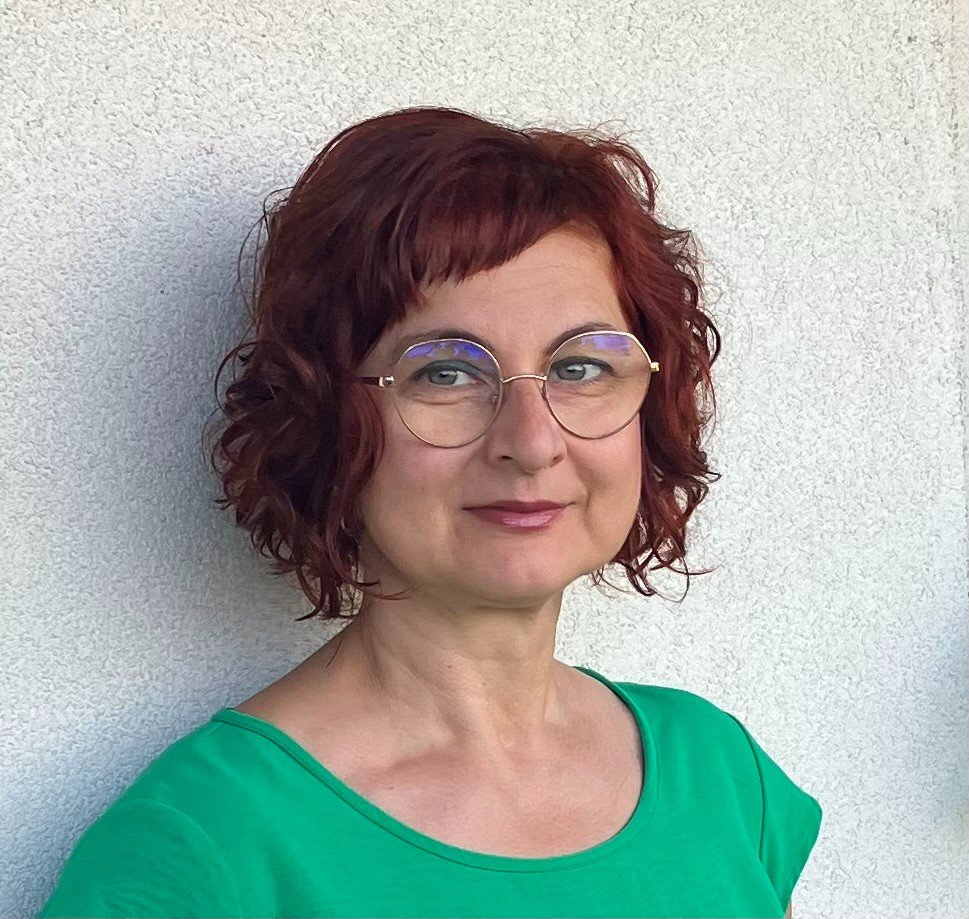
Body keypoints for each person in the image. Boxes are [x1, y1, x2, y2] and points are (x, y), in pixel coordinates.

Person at [37, 105, 821, 919]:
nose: (531, 441)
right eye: (444, 373)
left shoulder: (722, 779)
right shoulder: (202, 847)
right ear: (325, 419)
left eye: (580, 367)